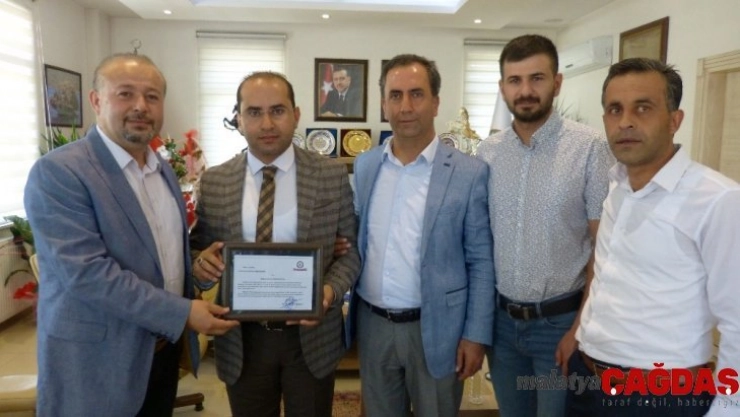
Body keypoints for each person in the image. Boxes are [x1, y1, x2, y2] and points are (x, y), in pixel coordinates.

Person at [24, 53, 239, 417]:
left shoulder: (162, 171)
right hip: (98, 360)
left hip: (161, 352)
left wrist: (197, 265)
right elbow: (89, 275)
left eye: (152, 96)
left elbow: (162, 254)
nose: (141, 106)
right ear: (96, 100)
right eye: (125, 94)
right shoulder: (59, 173)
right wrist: (183, 312)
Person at [568, 58, 740, 417]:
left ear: (675, 120)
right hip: (588, 380)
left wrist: (727, 409)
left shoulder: (717, 200)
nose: (625, 121)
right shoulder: (617, 186)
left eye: (643, 108)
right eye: (615, 109)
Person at [189, 71, 361, 417]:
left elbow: (351, 253)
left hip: (312, 338)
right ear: (239, 119)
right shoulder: (216, 181)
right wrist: (201, 266)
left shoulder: (330, 175)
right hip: (242, 340)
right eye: (254, 112)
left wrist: (329, 291)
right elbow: (198, 251)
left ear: (295, 115)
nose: (267, 123)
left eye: (277, 111)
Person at [345, 54, 495, 417]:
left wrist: (475, 335)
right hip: (373, 325)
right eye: (395, 95)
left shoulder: (469, 173)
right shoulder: (366, 165)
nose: (406, 106)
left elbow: (480, 261)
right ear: (383, 104)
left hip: (439, 329)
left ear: (436, 102)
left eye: (416, 94)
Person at [475, 34, 613, 417]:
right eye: (515, 80)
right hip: (502, 329)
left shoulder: (590, 148)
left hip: (560, 326)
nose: (525, 91)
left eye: (536, 78)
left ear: (557, 82)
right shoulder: (488, 153)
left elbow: (603, 249)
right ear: (502, 87)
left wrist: (579, 330)